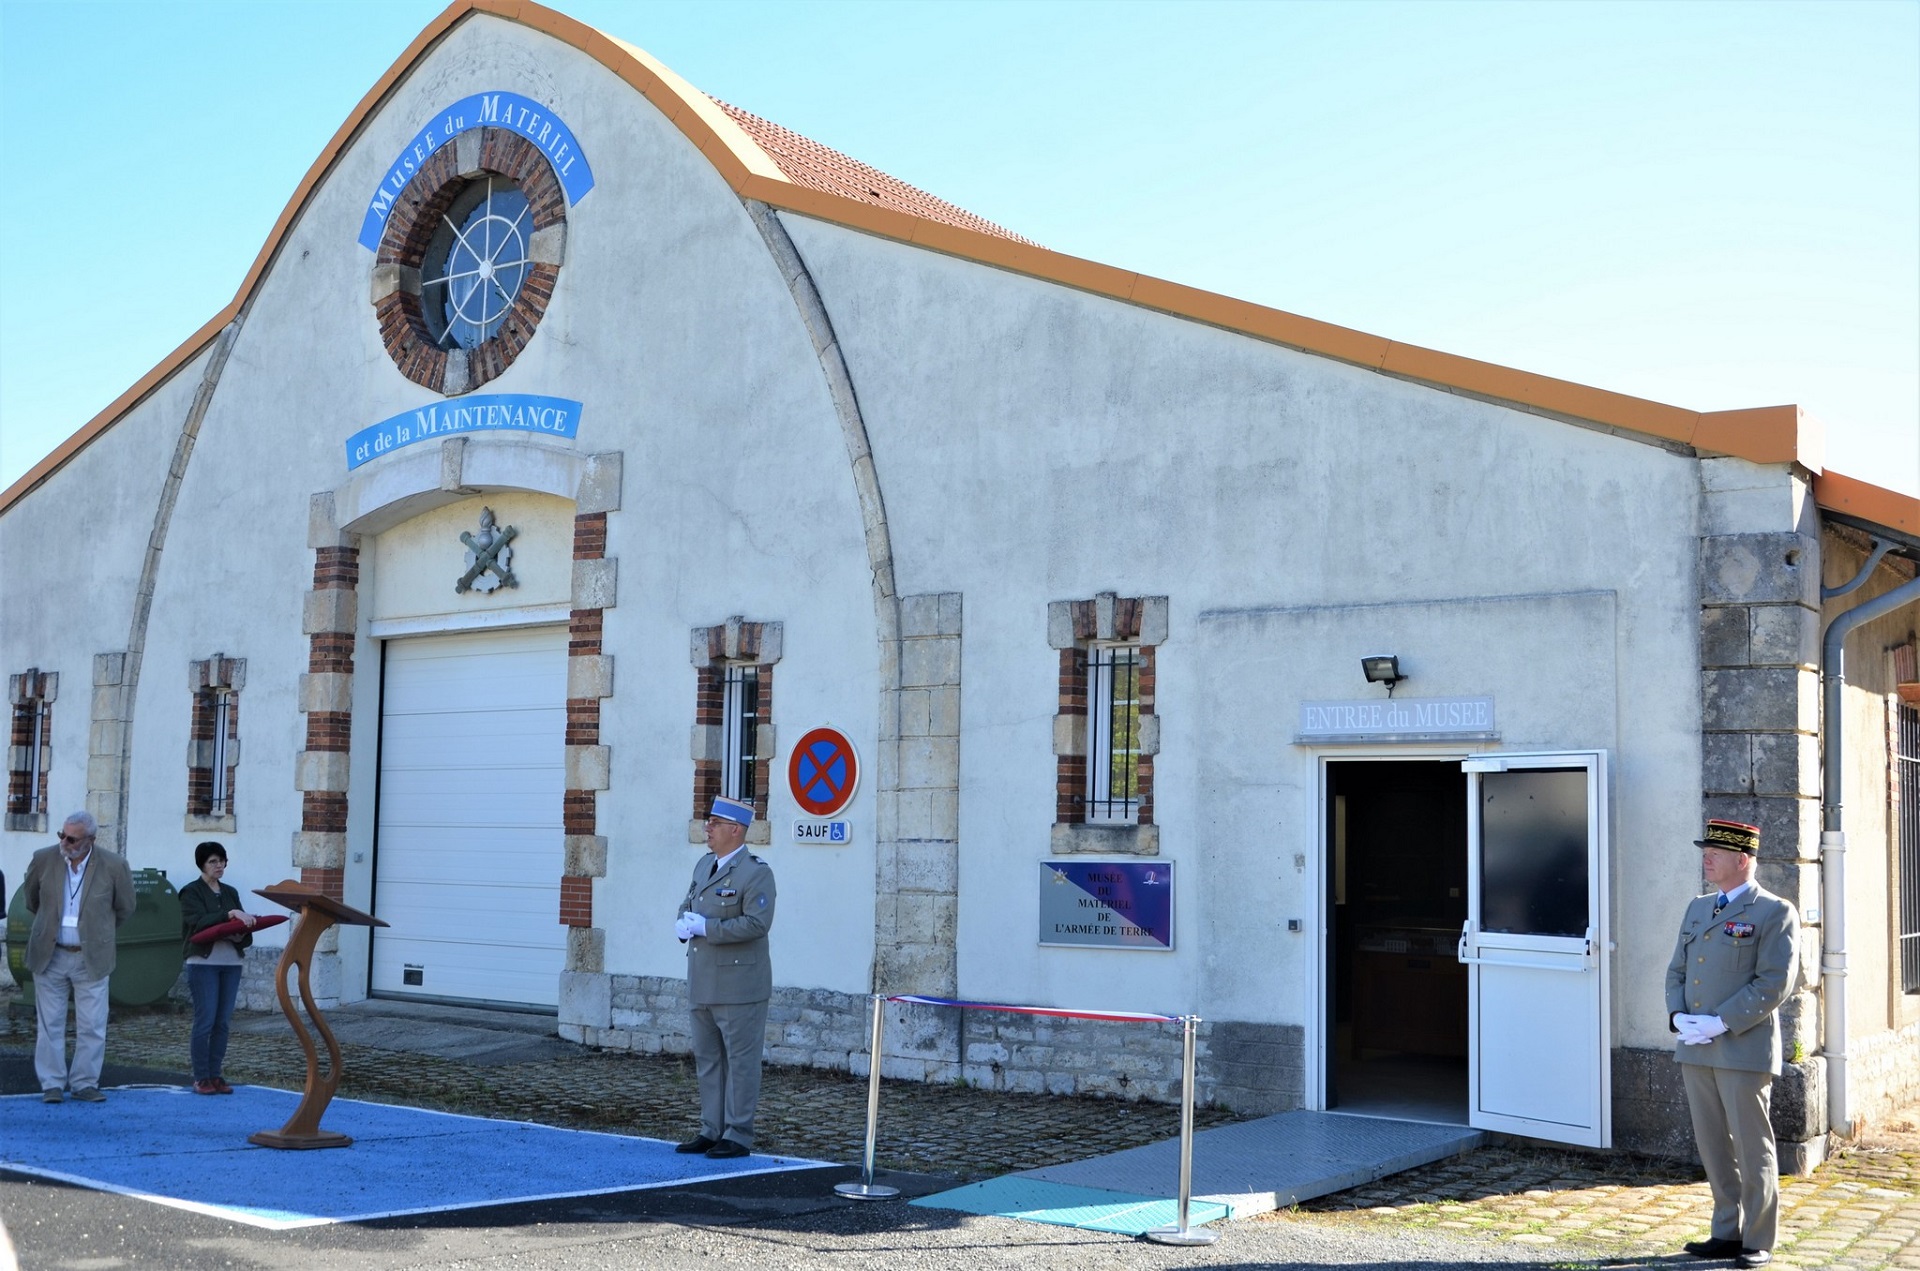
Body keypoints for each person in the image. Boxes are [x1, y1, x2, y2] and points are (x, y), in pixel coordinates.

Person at [1666, 818, 1800, 1269]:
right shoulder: (1698, 907)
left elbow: (1774, 982)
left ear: (1742, 860)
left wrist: (1720, 1022)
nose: (1706, 857)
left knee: (1751, 1145)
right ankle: (1726, 1230)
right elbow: (1677, 971)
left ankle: (1758, 1237)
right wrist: (1677, 1015)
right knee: (1712, 1145)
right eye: (1705, 850)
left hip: (1741, 1047)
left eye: (1715, 852)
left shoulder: (1774, 911)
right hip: (1695, 1044)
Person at [673, 795, 777, 1159]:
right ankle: (711, 1129)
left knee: (741, 1063)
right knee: (709, 1060)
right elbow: (688, 904)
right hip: (702, 981)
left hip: (738, 986)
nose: (708, 828)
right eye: (708, 822)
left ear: (736, 830)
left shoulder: (756, 872)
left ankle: (738, 1133)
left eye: (715, 823)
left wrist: (708, 927)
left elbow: (756, 923)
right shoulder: (704, 866)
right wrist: (684, 923)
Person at [23, 811, 136, 1103]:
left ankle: (85, 1082)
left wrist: (97, 933)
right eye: (62, 835)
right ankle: (52, 1084)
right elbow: (31, 899)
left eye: (72, 838)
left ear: (91, 840)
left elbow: (124, 908)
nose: (65, 842)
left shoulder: (114, 865)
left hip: (91, 956)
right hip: (51, 953)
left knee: (93, 1024)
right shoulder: (44, 859)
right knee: (50, 1023)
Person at [179, 841, 257, 1094]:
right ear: (202, 864)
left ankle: (215, 1075)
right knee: (205, 1021)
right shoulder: (190, 892)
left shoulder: (231, 892)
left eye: (222, 860)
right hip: (203, 964)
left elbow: (244, 929)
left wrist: (240, 933)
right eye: (213, 861)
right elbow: (197, 922)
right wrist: (229, 916)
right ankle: (201, 1077)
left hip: (231, 963)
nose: (219, 865)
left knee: (222, 1023)